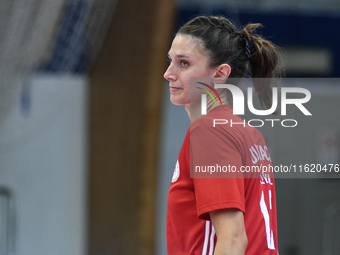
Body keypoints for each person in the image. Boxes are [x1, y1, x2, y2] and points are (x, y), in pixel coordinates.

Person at [163, 15, 284, 255]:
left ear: (219, 74)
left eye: (184, 63)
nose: (168, 73)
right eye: (170, 60)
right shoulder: (249, 135)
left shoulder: (210, 132)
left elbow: (233, 239)